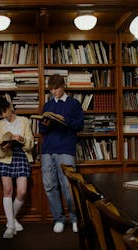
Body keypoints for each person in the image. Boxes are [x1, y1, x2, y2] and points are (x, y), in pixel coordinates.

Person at [39, 74, 84, 233]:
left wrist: (65, 121)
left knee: (68, 187)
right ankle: (58, 218)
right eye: (51, 89)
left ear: (63, 86)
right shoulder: (48, 105)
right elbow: (42, 130)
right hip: (48, 150)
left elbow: (79, 126)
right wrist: (45, 124)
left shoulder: (74, 104)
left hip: (66, 149)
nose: (54, 92)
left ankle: (74, 218)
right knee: (50, 186)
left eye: (56, 89)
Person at [0, 96, 34, 239]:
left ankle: (11, 220)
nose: (4, 116)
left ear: (10, 107)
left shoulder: (24, 121)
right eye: (1, 114)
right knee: (8, 190)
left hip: (21, 156)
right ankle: (10, 225)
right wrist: (4, 147)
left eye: (5, 112)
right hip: (5, 158)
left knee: (22, 191)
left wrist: (22, 140)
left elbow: (31, 145)